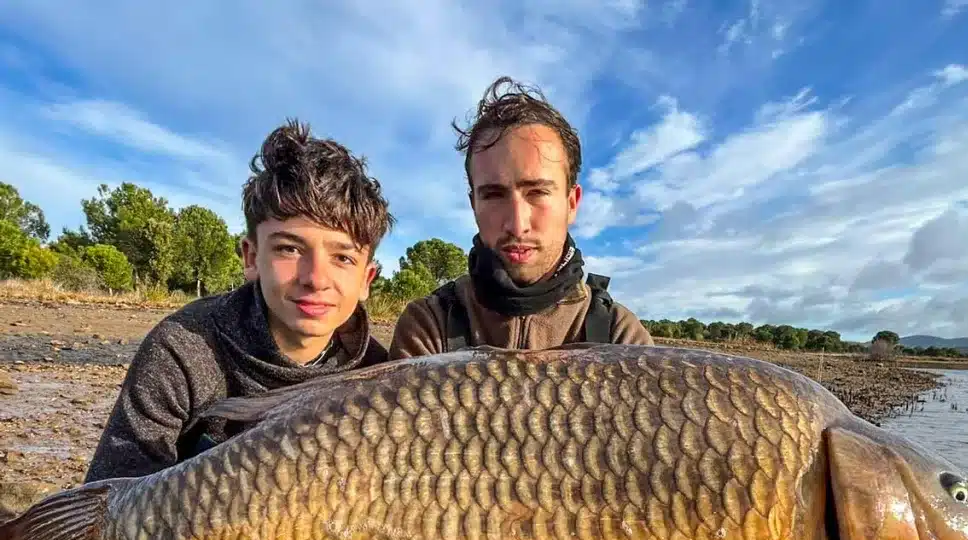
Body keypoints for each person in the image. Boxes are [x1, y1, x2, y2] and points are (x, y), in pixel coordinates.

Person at [84, 119, 395, 482]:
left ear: (366, 279)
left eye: (342, 258)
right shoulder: (182, 348)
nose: (315, 279)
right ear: (251, 257)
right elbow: (110, 496)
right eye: (290, 249)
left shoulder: (376, 376)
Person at [389, 76, 653, 358]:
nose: (517, 224)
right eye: (493, 195)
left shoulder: (620, 337)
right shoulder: (429, 326)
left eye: (537, 192)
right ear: (473, 205)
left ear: (572, 203)